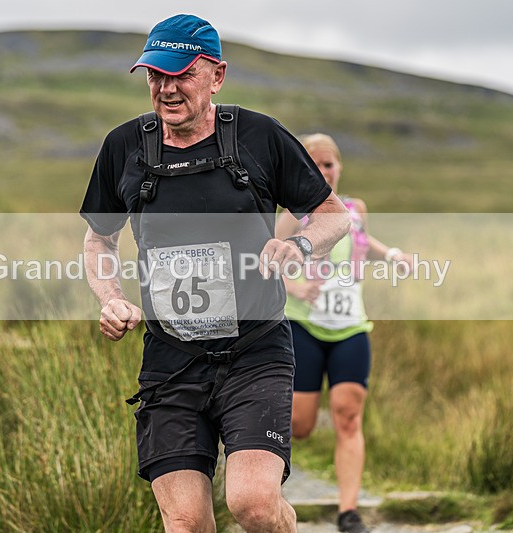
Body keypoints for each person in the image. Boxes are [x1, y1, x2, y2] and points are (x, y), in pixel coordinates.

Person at [80, 15, 349, 533]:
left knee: (252, 504)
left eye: (180, 74)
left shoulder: (260, 135)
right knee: (186, 524)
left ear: (217, 75)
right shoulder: (124, 147)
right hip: (171, 359)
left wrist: (298, 244)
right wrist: (109, 297)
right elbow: (99, 239)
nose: (165, 88)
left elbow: (335, 216)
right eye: (155, 75)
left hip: (255, 352)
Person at [276, 133, 413, 533]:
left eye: (330, 163)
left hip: (351, 326)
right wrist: (296, 287)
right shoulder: (292, 215)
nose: (324, 171)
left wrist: (391, 255)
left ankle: (348, 512)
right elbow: (264, 261)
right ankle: (264, 483)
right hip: (303, 325)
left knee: (348, 417)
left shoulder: (355, 209)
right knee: (299, 424)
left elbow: (360, 241)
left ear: (340, 167)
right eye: (314, 163)